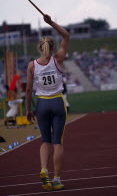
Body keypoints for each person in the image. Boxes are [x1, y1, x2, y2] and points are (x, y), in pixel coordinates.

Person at [26, 14, 70, 191]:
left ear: (40, 48)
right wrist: (50, 22)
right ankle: (57, 179)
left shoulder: (32, 65)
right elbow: (66, 36)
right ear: (52, 47)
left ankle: (44, 169)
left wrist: (29, 110)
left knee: (45, 141)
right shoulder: (58, 58)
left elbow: (29, 90)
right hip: (57, 103)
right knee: (57, 142)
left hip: (42, 104)